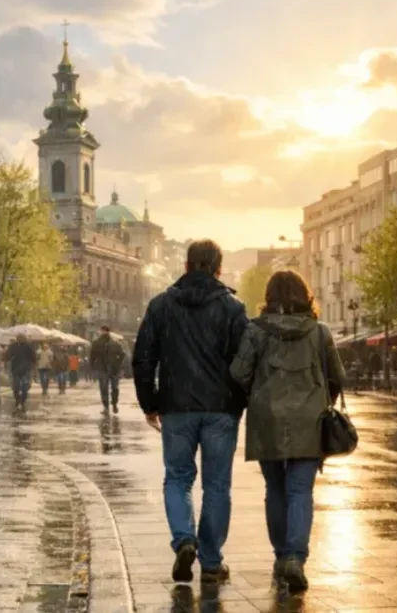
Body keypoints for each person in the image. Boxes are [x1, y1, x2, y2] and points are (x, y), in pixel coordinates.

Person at [131, 239, 249, 584]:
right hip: (220, 410)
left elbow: (142, 358)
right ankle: (211, 562)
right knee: (217, 485)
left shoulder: (161, 306)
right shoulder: (233, 308)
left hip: (177, 407)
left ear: (185, 266)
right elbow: (246, 362)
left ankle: (184, 539)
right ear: (219, 269)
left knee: (178, 478)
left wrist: (150, 402)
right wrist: (239, 402)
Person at [229, 270, 345, 592]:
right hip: (309, 421)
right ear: (304, 294)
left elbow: (238, 373)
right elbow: (338, 376)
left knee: (276, 490)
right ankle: (295, 557)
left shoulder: (255, 330)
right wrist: (322, 400)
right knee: (300, 491)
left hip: (267, 419)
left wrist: (258, 390)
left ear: (269, 297)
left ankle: (281, 557)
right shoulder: (320, 332)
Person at [90, 327, 126, 414]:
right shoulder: (115, 343)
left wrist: (92, 367)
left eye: (102, 331)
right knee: (114, 388)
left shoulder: (97, 343)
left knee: (104, 388)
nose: (102, 332)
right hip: (112, 368)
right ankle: (113, 404)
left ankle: (107, 407)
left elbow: (92, 356)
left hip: (104, 369)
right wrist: (118, 365)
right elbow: (122, 354)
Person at [5, 334, 36, 410]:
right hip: (16, 370)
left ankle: (23, 401)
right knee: (16, 387)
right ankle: (17, 400)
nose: (21, 339)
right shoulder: (13, 346)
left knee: (25, 387)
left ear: (24, 339)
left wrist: (34, 366)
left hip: (26, 370)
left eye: (22, 338)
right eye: (19, 338)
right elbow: (8, 356)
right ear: (17, 338)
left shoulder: (28, 346)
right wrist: (6, 355)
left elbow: (33, 357)